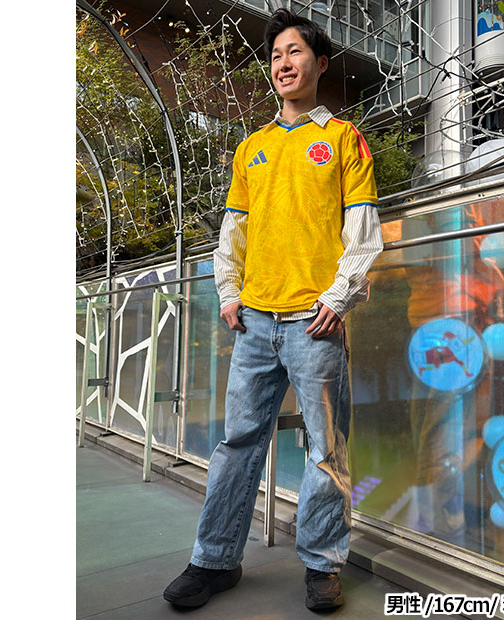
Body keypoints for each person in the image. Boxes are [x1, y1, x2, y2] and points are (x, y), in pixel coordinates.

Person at [163, 7, 383, 611]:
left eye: (296, 52)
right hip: (255, 321)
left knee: (325, 448)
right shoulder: (251, 148)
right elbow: (232, 233)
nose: (284, 63)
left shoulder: (344, 139)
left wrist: (337, 297)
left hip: (315, 322)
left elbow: (364, 232)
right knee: (238, 443)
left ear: (321, 63)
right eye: (276, 55)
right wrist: (228, 292)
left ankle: (322, 564)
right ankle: (214, 560)